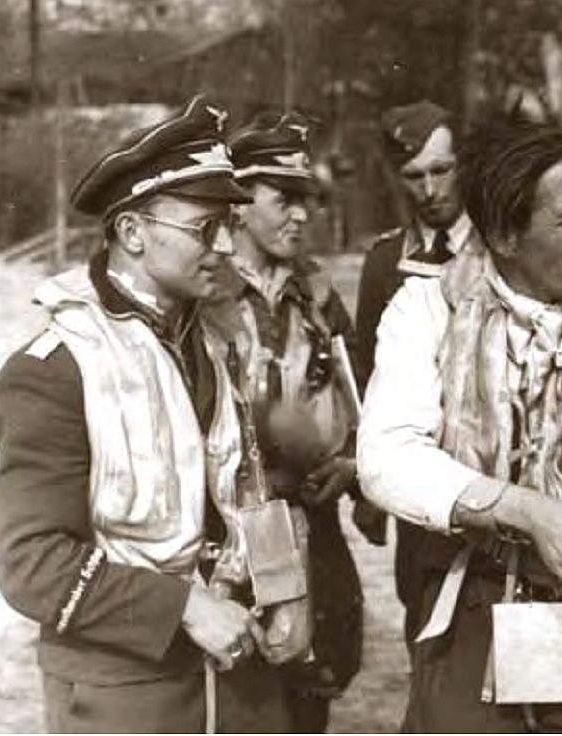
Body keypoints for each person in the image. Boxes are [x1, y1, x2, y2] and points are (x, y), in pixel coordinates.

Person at [358, 116, 562, 733]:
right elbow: (386, 456)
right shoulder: (430, 306)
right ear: (505, 236)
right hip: (473, 610)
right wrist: (529, 512)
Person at [0, 96, 306, 733]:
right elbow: (30, 562)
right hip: (126, 694)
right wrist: (184, 606)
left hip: (240, 677)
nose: (227, 246)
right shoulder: (58, 366)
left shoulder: (216, 340)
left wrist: (283, 588)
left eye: (229, 225)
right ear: (133, 233)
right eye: (205, 228)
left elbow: (246, 479)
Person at [203, 112, 363, 734]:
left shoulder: (317, 295)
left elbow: (357, 403)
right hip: (232, 543)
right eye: (284, 199)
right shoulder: (202, 294)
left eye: (308, 200)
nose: (301, 215)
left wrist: (349, 466)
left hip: (314, 532)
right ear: (239, 204)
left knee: (309, 700)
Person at [354, 99, 484, 644]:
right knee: (425, 620)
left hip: (494, 472)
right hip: (423, 484)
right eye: (413, 176)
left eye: (441, 170)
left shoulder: (502, 246)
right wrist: (367, 487)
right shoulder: (386, 262)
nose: (430, 190)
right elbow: (366, 374)